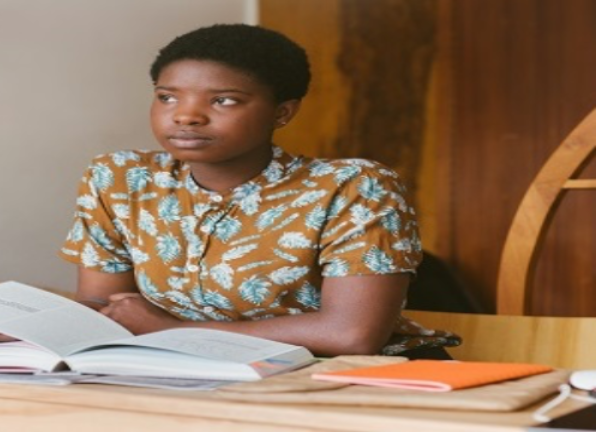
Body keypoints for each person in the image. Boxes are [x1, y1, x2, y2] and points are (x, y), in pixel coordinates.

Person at [57, 23, 460, 358]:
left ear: (282, 112)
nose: (186, 116)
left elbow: (352, 335)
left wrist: (172, 332)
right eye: (167, 97)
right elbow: (108, 307)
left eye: (224, 101)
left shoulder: (354, 186)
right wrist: (44, 328)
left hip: (355, 378)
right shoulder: (119, 178)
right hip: (190, 371)